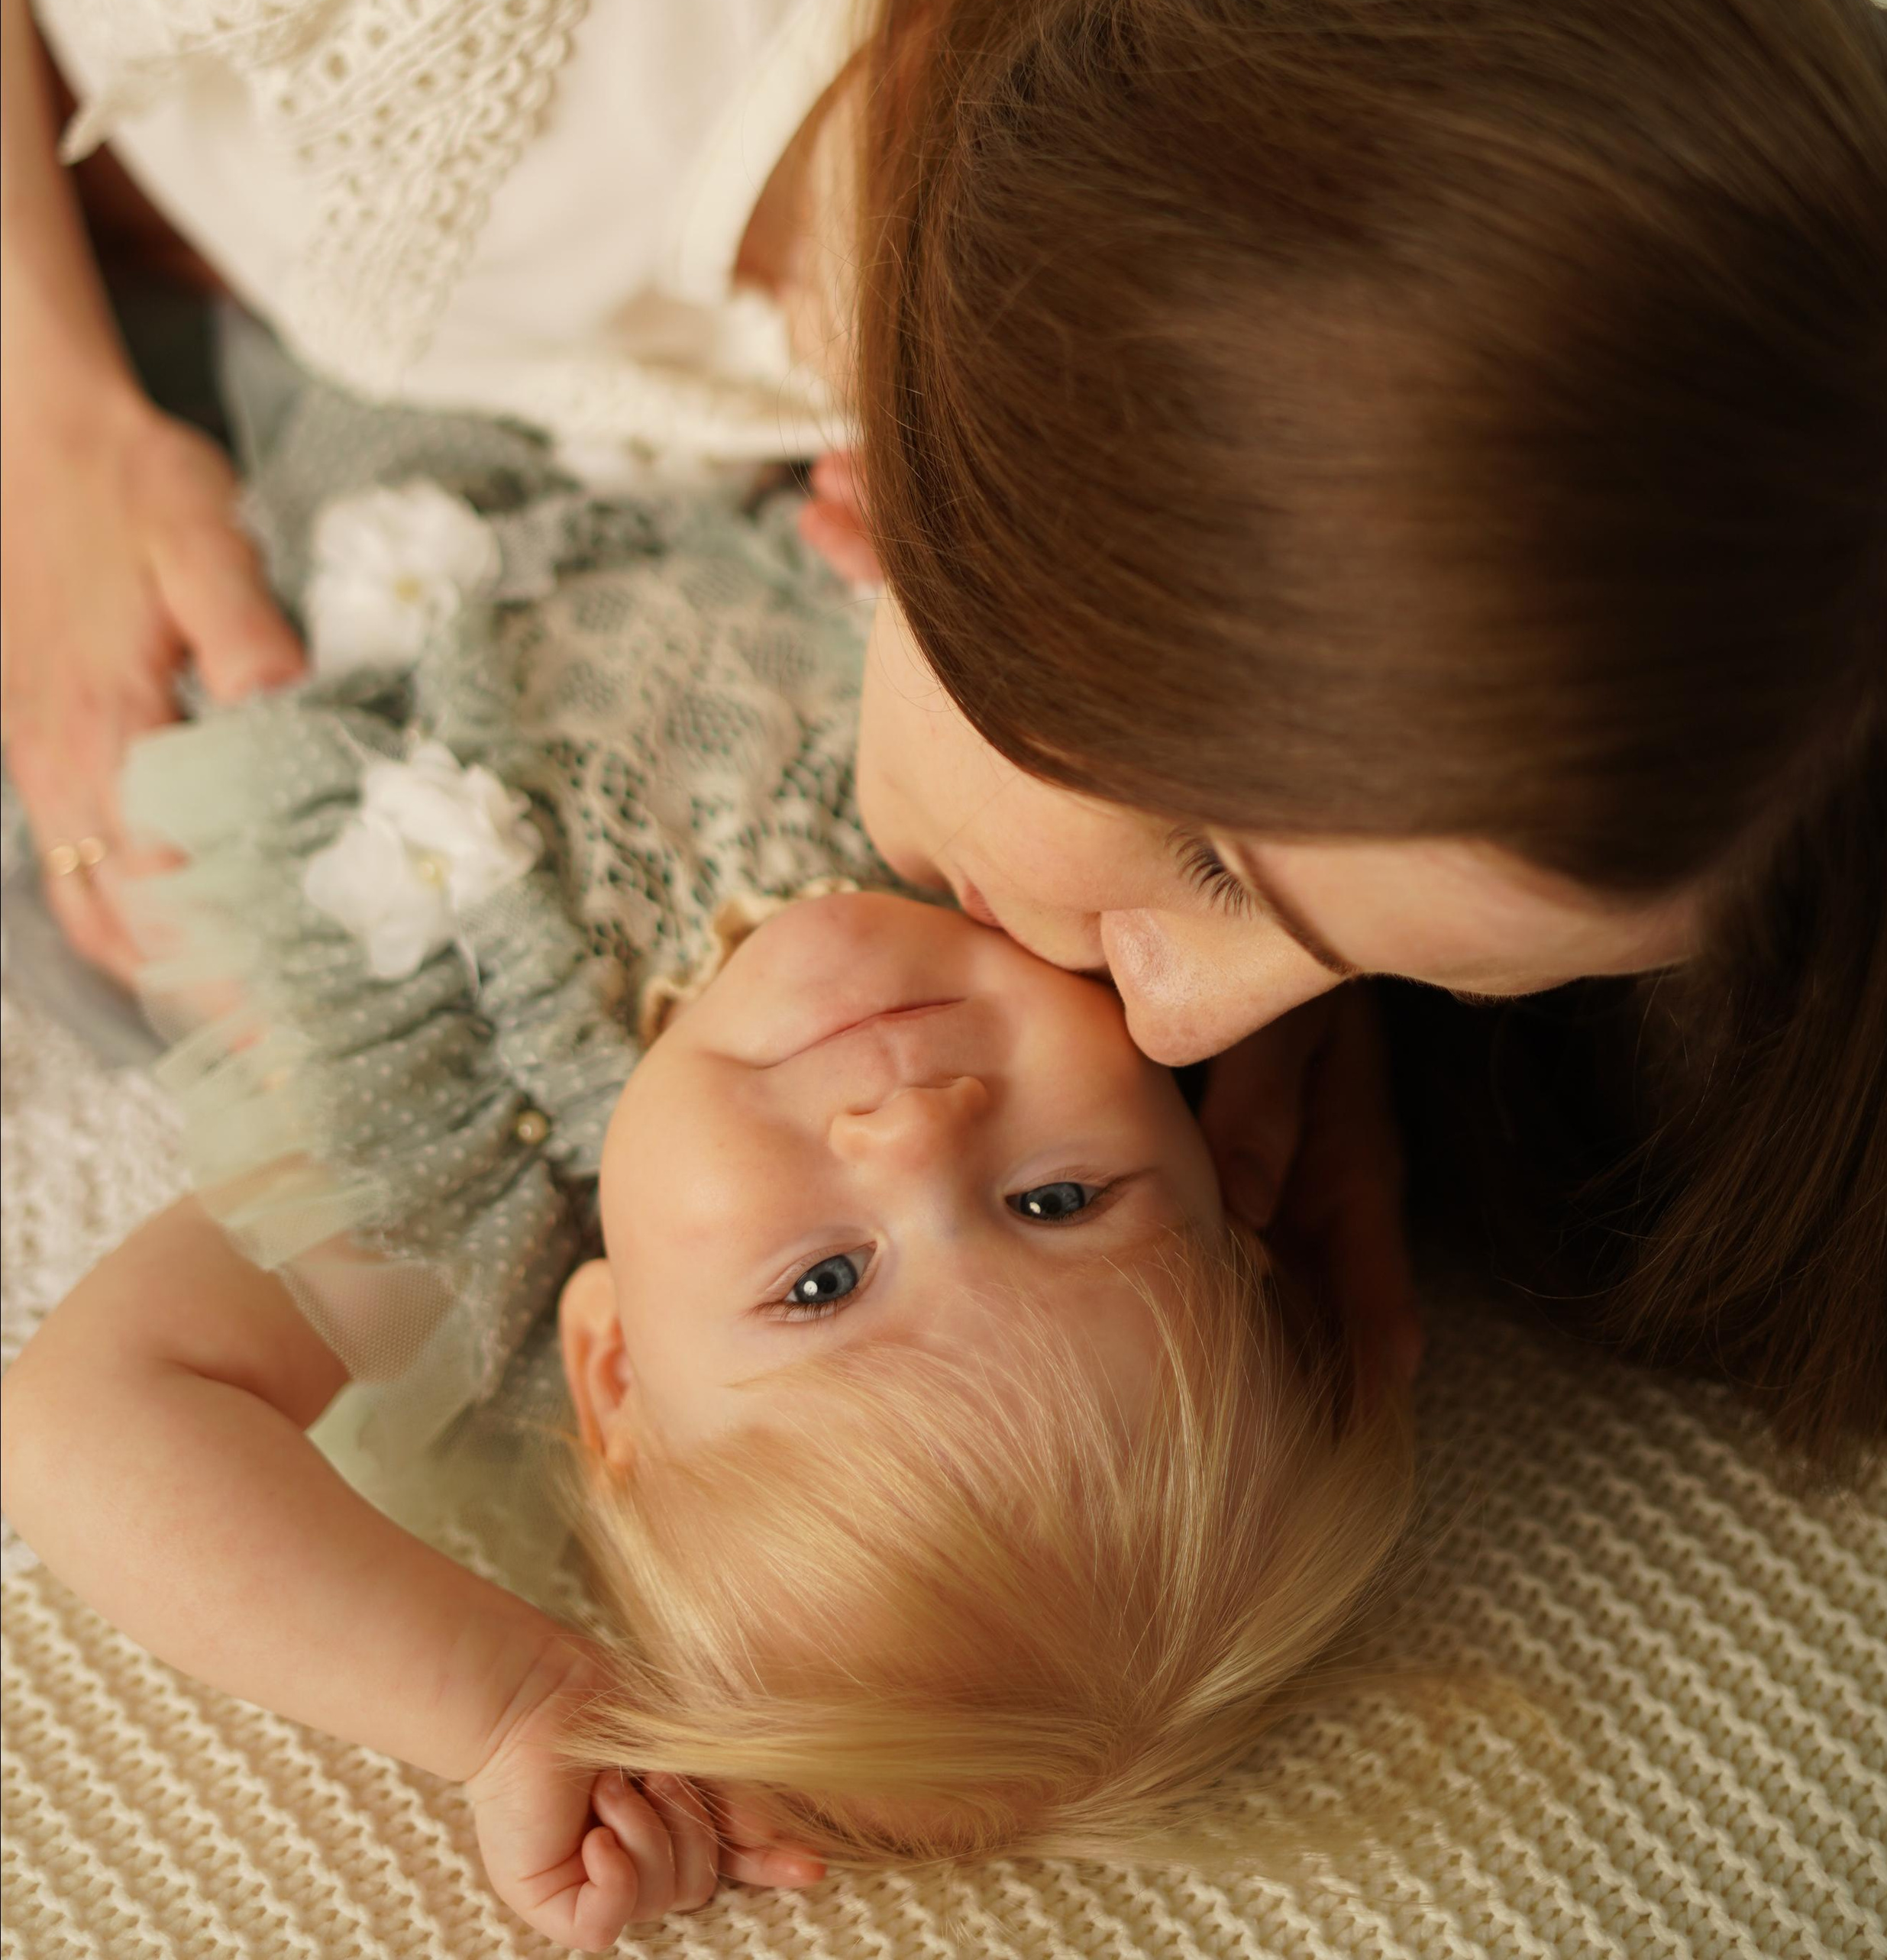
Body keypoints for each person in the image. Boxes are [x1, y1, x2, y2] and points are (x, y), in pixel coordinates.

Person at [3, 0, 1887, 1471]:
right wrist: (45, 418)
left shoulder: (1263, 193)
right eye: (1231, 882)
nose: (1196, 1020)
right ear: (1121, 506)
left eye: (1371, 963)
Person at [0, 395, 1410, 1952]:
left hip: (182, 492)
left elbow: (82, 1424)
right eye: (1056, 1203)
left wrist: (507, 1702)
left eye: (822, 1282)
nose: (915, 1128)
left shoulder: (467, 1166)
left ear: (611, 1375)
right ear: (1216, 1170)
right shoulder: (1057, 868)